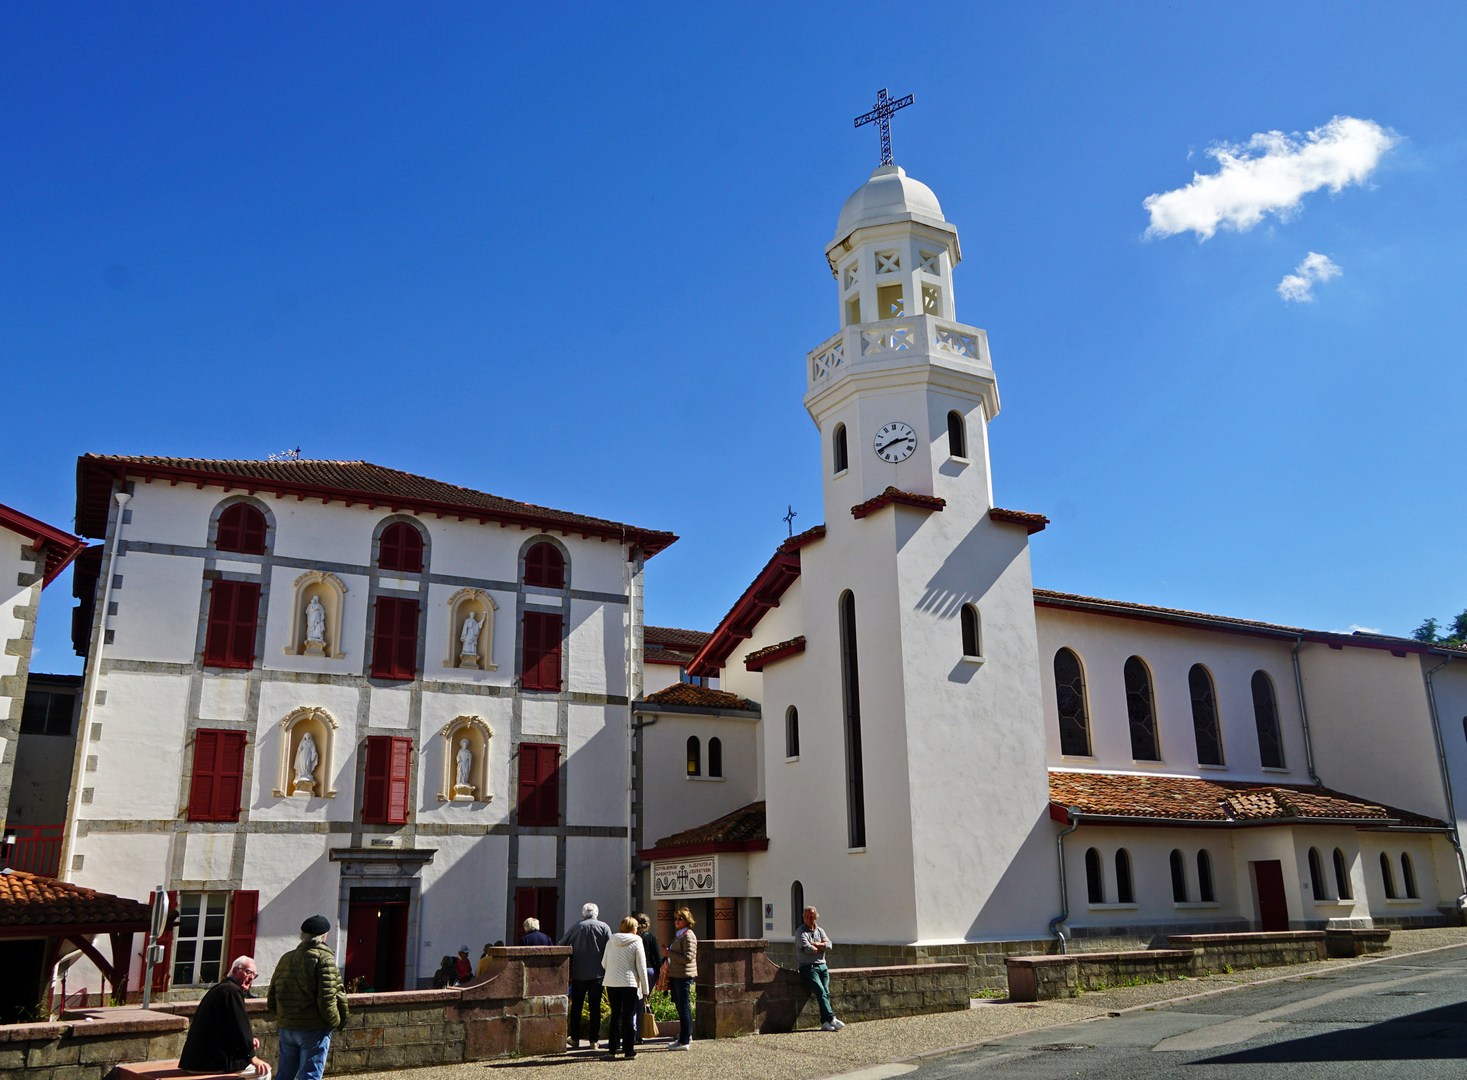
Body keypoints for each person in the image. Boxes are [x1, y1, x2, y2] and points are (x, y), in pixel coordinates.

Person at [268, 914, 348, 1080]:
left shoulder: (286, 957)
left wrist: (282, 1017)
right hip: (313, 1027)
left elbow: (272, 994)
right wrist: (335, 1022)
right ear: (324, 935)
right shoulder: (324, 959)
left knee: (284, 1074)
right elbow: (328, 998)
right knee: (310, 1075)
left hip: (287, 1026)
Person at [178, 956, 271, 1076]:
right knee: (263, 1072)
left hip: (195, 1060)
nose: (252, 978)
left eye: (254, 975)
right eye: (248, 972)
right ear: (234, 970)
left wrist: (248, 1042)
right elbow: (239, 1027)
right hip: (208, 1063)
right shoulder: (232, 992)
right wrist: (252, 1058)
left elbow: (226, 1029)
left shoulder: (221, 988)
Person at [559, 902, 611, 1050]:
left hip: (578, 973)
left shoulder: (576, 927)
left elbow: (562, 944)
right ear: (596, 913)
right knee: (595, 1008)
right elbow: (610, 947)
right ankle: (594, 1040)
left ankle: (575, 1038)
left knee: (576, 1007)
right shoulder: (604, 927)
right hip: (598, 974)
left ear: (583, 914)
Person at [600, 917, 649, 1060]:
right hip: (629, 983)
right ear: (633, 928)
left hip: (611, 982)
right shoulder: (637, 941)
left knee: (615, 1015)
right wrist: (645, 990)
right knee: (628, 1015)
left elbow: (604, 963)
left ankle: (612, 1050)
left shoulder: (611, 940)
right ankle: (628, 1051)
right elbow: (641, 967)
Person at [798, 906, 844, 1032]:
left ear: (816, 917)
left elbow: (829, 945)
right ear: (803, 917)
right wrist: (820, 946)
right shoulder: (801, 932)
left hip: (822, 966)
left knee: (826, 992)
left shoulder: (820, 930)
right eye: (807, 916)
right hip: (809, 967)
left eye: (812, 916)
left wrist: (817, 944)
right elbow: (808, 949)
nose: (809, 919)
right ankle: (831, 1018)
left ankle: (825, 1023)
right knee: (820, 991)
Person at [662, 907, 697, 1050]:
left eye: (680, 919)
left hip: (683, 976)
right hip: (676, 975)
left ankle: (684, 1041)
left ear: (687, 920)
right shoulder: (680, 935)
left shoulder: (688, 936)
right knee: (681, 1006)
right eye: (675, 919)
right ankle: (685, 1035)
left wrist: (669, 953)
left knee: (683, 1007)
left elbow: (688, 958)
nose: (676, 921)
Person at [634, 913, 660, 1043]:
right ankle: (642, 1032)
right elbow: (657, 958)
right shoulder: (651, 938)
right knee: (644, 1000)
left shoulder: (633, 938)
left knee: (635, 1003)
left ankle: (636, 1034)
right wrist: (659, 974)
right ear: (648, 924)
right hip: (649, 971)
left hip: (635, 972)